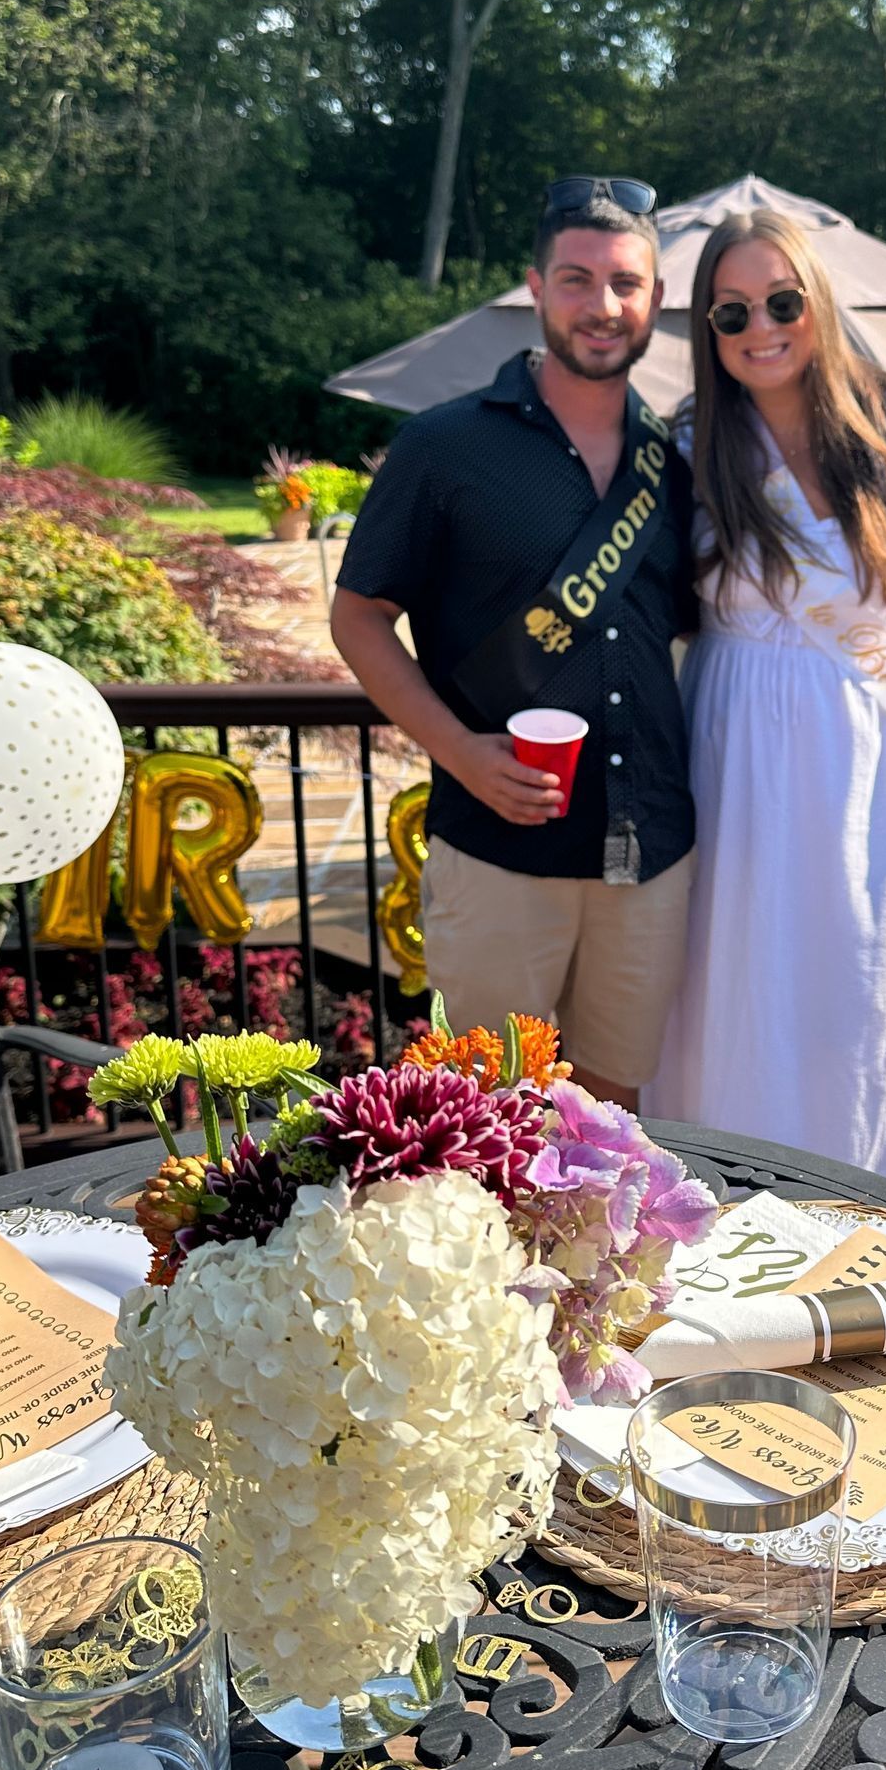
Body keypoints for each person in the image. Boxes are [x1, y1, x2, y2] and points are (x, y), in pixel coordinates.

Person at [331, 177, 697, 1109]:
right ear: (534, 289)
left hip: (647, 852)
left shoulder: (679, 462)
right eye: (577, 280)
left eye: (626, 284)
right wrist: (458, 751)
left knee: (614, 1119)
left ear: (655, 299)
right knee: (485, 1114)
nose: (602, 306)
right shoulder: (445, 446)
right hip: (497, 849)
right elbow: (358, 615)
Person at [649, 206, 886, 1194]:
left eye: (782, 300)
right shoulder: (688, 444)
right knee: (732, 978)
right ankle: (722, 1210)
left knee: (863, 978)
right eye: (731, 311)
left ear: (818, 300)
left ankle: (870, 1207)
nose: (761, 327)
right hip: (730, 741)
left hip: (872, 746)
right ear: (708, 330)